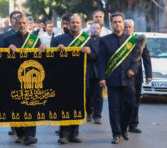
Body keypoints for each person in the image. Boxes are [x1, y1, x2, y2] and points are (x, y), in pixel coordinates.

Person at [0, 15, 46, 145]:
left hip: (30, 79)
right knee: (16, 107)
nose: (22, 25)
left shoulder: (35, 40)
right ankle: (20, 134)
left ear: (28, 24)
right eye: (19, 23)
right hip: (13, 78)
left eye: (24, 23)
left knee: (31, 105)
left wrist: (43, 52)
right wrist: (5, 50)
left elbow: (40, 60)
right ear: (15, 24)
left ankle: (30, 135)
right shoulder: (8, 39)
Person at [51, 14, 95, 145]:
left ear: (81, 24)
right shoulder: (58, 39)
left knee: (78, 106)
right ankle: (63, 134)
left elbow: (96, 57)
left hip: (81, 78)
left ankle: (74, 134)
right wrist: (55, 51)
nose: (75, 24)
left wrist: (89, 53)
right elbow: (50, 58)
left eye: (77, 22)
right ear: (68, 24)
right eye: (73, 22)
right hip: (63, 79)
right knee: (64, 107)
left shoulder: (88, 40)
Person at [98, 12, 140, 144]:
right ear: (111, 24)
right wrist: (102, 78)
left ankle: (123, 128)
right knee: (114, 108)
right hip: (113, 79)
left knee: (130, 105)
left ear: (123, 23)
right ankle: (116, 134)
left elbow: (137, 59)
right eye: (115, 22)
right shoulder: (104, 40)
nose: (117, 24)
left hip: (128, 80)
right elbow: (101, 61)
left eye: (119, 21)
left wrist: (133, 69)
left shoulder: (132, 40)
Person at [124, 19, 152, 133]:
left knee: (135, 101)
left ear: (133, 28)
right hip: (122, 76)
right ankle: (122, 125)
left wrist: (148, 74)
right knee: (123, 101)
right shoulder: (119, 40)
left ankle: (133, 125)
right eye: (125, 26)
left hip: (136, 75)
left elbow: (146, 57)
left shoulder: (139, 40)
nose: (127, 28)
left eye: (129, 26)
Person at [86, 22, 103, 124]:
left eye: (97, 28)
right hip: (88, 71)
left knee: (98, 95)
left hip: (99, 72)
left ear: (100, 30)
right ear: (90, 29)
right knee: (88, 94)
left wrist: (91, 54)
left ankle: (97, 115)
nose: (95, 30)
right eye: (93, 28)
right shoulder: (86, 40)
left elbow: (101, 56)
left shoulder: (103, 41)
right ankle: (89, 113)